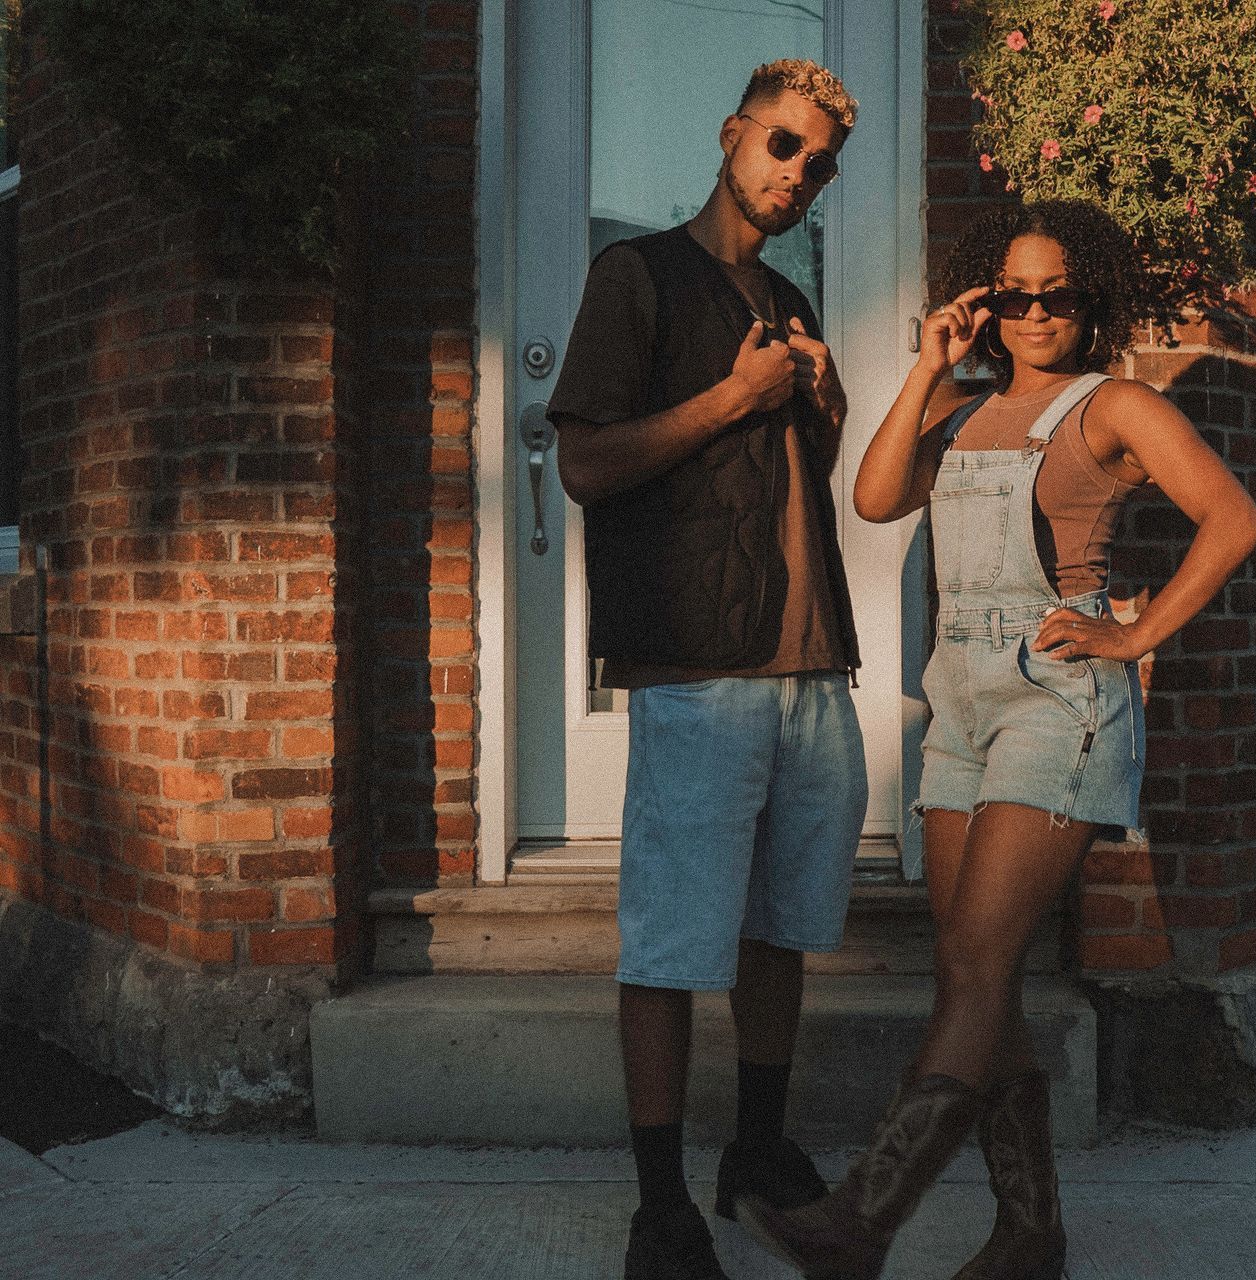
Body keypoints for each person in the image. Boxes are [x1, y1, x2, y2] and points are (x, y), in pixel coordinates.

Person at [736, 201, 1256, 1279]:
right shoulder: (966, 413)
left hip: (1054, 703)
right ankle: (1031, 1233)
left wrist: (1132, 631)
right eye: (1013, 294)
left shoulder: (1110, 405)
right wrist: (932, 365)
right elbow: (879, 493)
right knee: (970, 976)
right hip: (958, 710)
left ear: (1091, 302)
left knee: (979, 964)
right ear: (988, 298)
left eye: (1056, 294)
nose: (1033, 312)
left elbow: (1235, 517)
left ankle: (859, 1224)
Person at [546, 59, 866, 1280]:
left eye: (820, 163)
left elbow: (793, 490)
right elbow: (585, 467)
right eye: (784, 146)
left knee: (780, 929)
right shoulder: (635, 278)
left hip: (810, 661)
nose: (799, 175)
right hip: (697, 666)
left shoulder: (790, 296)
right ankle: (660, 1207)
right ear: (735, 134)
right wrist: (732, 398)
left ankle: (761, 1150)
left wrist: (821, 413)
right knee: (673, 941)